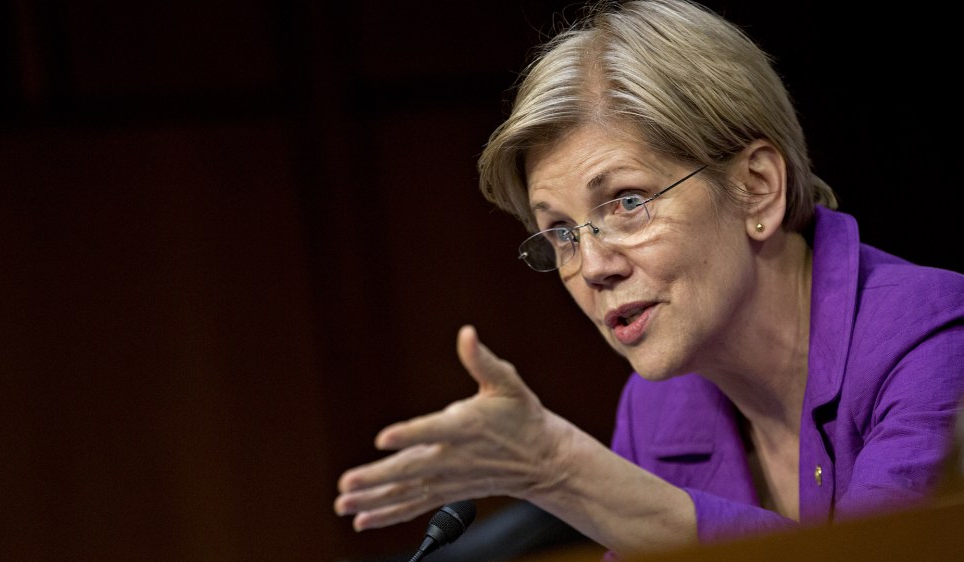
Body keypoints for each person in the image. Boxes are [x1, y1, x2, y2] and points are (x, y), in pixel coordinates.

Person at [333, 0, 964, 558]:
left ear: (757, 189)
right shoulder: (659, 409)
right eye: (561, 232)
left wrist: (563, 471)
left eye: (628, 202)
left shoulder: (935, 338)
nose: (594, 266)